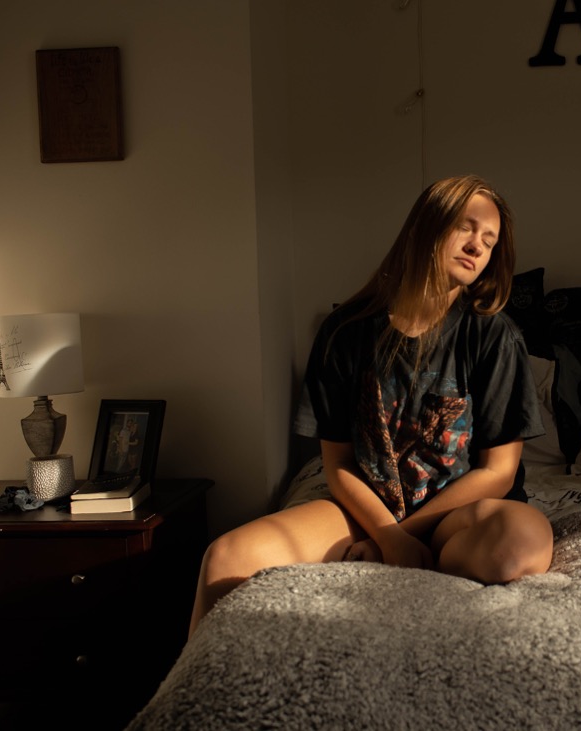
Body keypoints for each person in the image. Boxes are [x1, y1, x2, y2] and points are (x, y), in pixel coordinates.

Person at [188, 175, 553, 637]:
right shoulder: (346, 332)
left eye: (490, 240)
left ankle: (424, 570)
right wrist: (385, 534)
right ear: (427, 227)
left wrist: (407, 537)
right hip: (365, 512)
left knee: (515, 552)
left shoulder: (495, 336)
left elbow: (498, 472)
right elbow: (337, 463)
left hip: (459, 515)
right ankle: (180, 704)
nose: (478, 247)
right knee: (225, 557)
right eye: (466, 227)